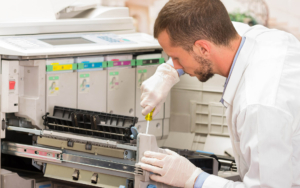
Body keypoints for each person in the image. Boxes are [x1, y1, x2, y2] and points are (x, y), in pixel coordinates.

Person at [139, 0, 300, 187]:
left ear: (203, 49)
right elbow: (216, 29)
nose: (175, 65)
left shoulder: (258, 106)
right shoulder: (262, 38)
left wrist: (194, 179)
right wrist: (166, 73)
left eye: (176, 57)